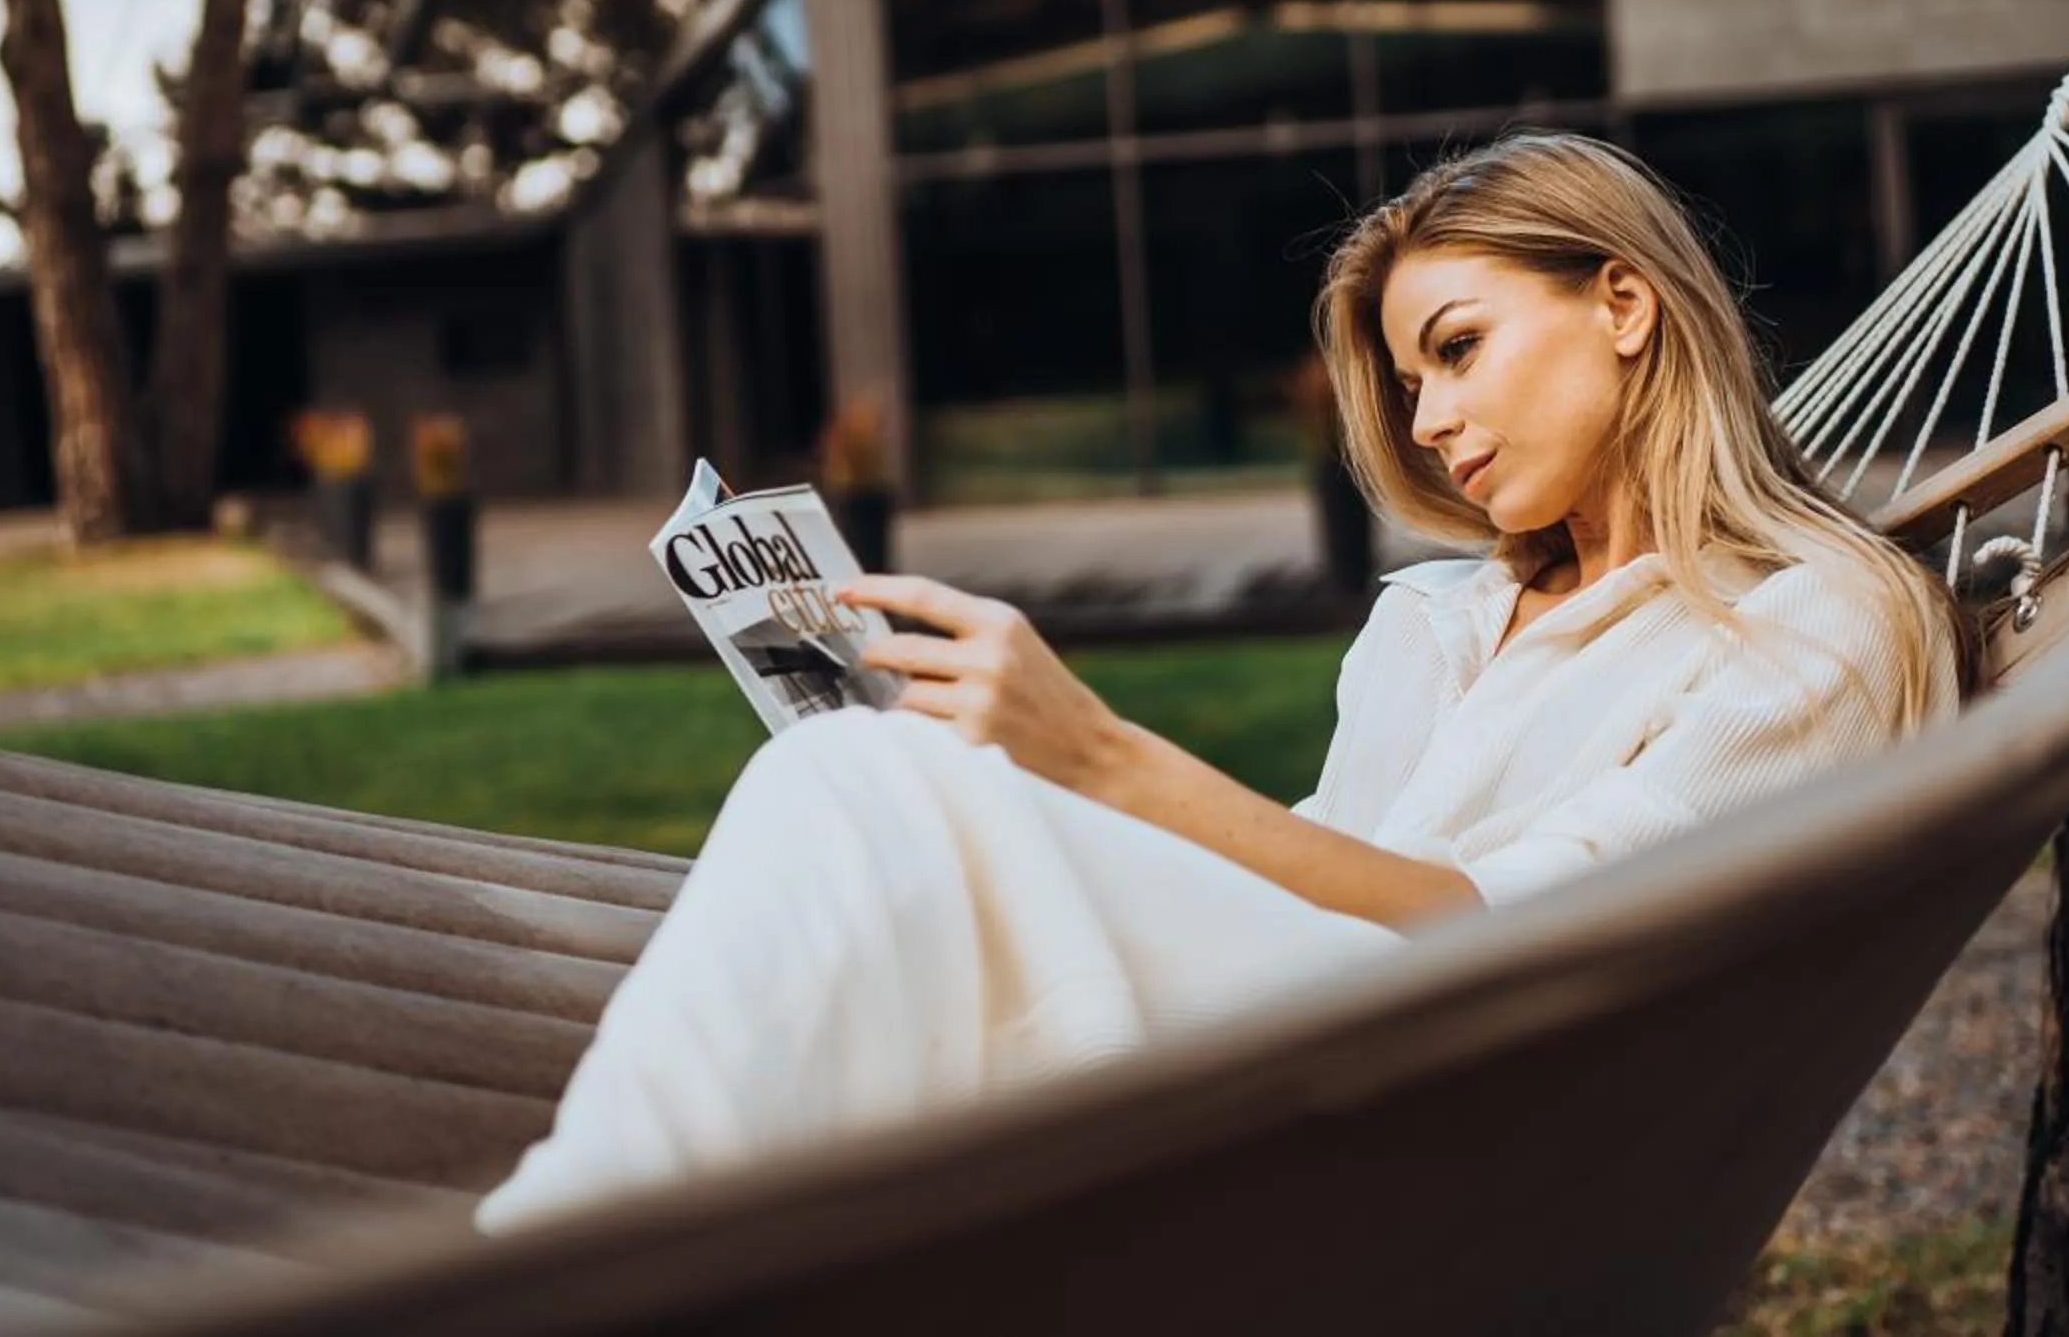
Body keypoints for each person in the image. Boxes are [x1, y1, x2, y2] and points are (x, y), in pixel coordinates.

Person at [474, 131, 1966, 1234]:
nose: (1429, 423)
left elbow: (1534, 930)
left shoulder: (1816, 621)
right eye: (1411, 385)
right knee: (872, 788)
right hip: (1301, 1051)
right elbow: (1306, 874)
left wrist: (1101, 757)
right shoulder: (1435, 621)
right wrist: (1045, 776)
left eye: (1458, 349)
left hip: (1457, 1130)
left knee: (856, 788)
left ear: (1625, 305)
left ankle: (541, 1272)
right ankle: (606, 1261)